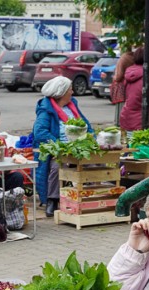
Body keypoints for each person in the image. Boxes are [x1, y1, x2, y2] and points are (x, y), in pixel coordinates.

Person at [33, 76, 93, 217]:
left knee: (93, 163)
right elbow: (40, 133)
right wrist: (59, 146)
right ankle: (52, 200)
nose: (72, 92)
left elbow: (87, 125)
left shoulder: (72, 106)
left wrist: (91, 137)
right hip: (58, 150)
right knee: (56, 167)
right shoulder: (46, 110)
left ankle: (90, 197)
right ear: (62, 92)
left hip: (77, 149)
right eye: (70, 89)